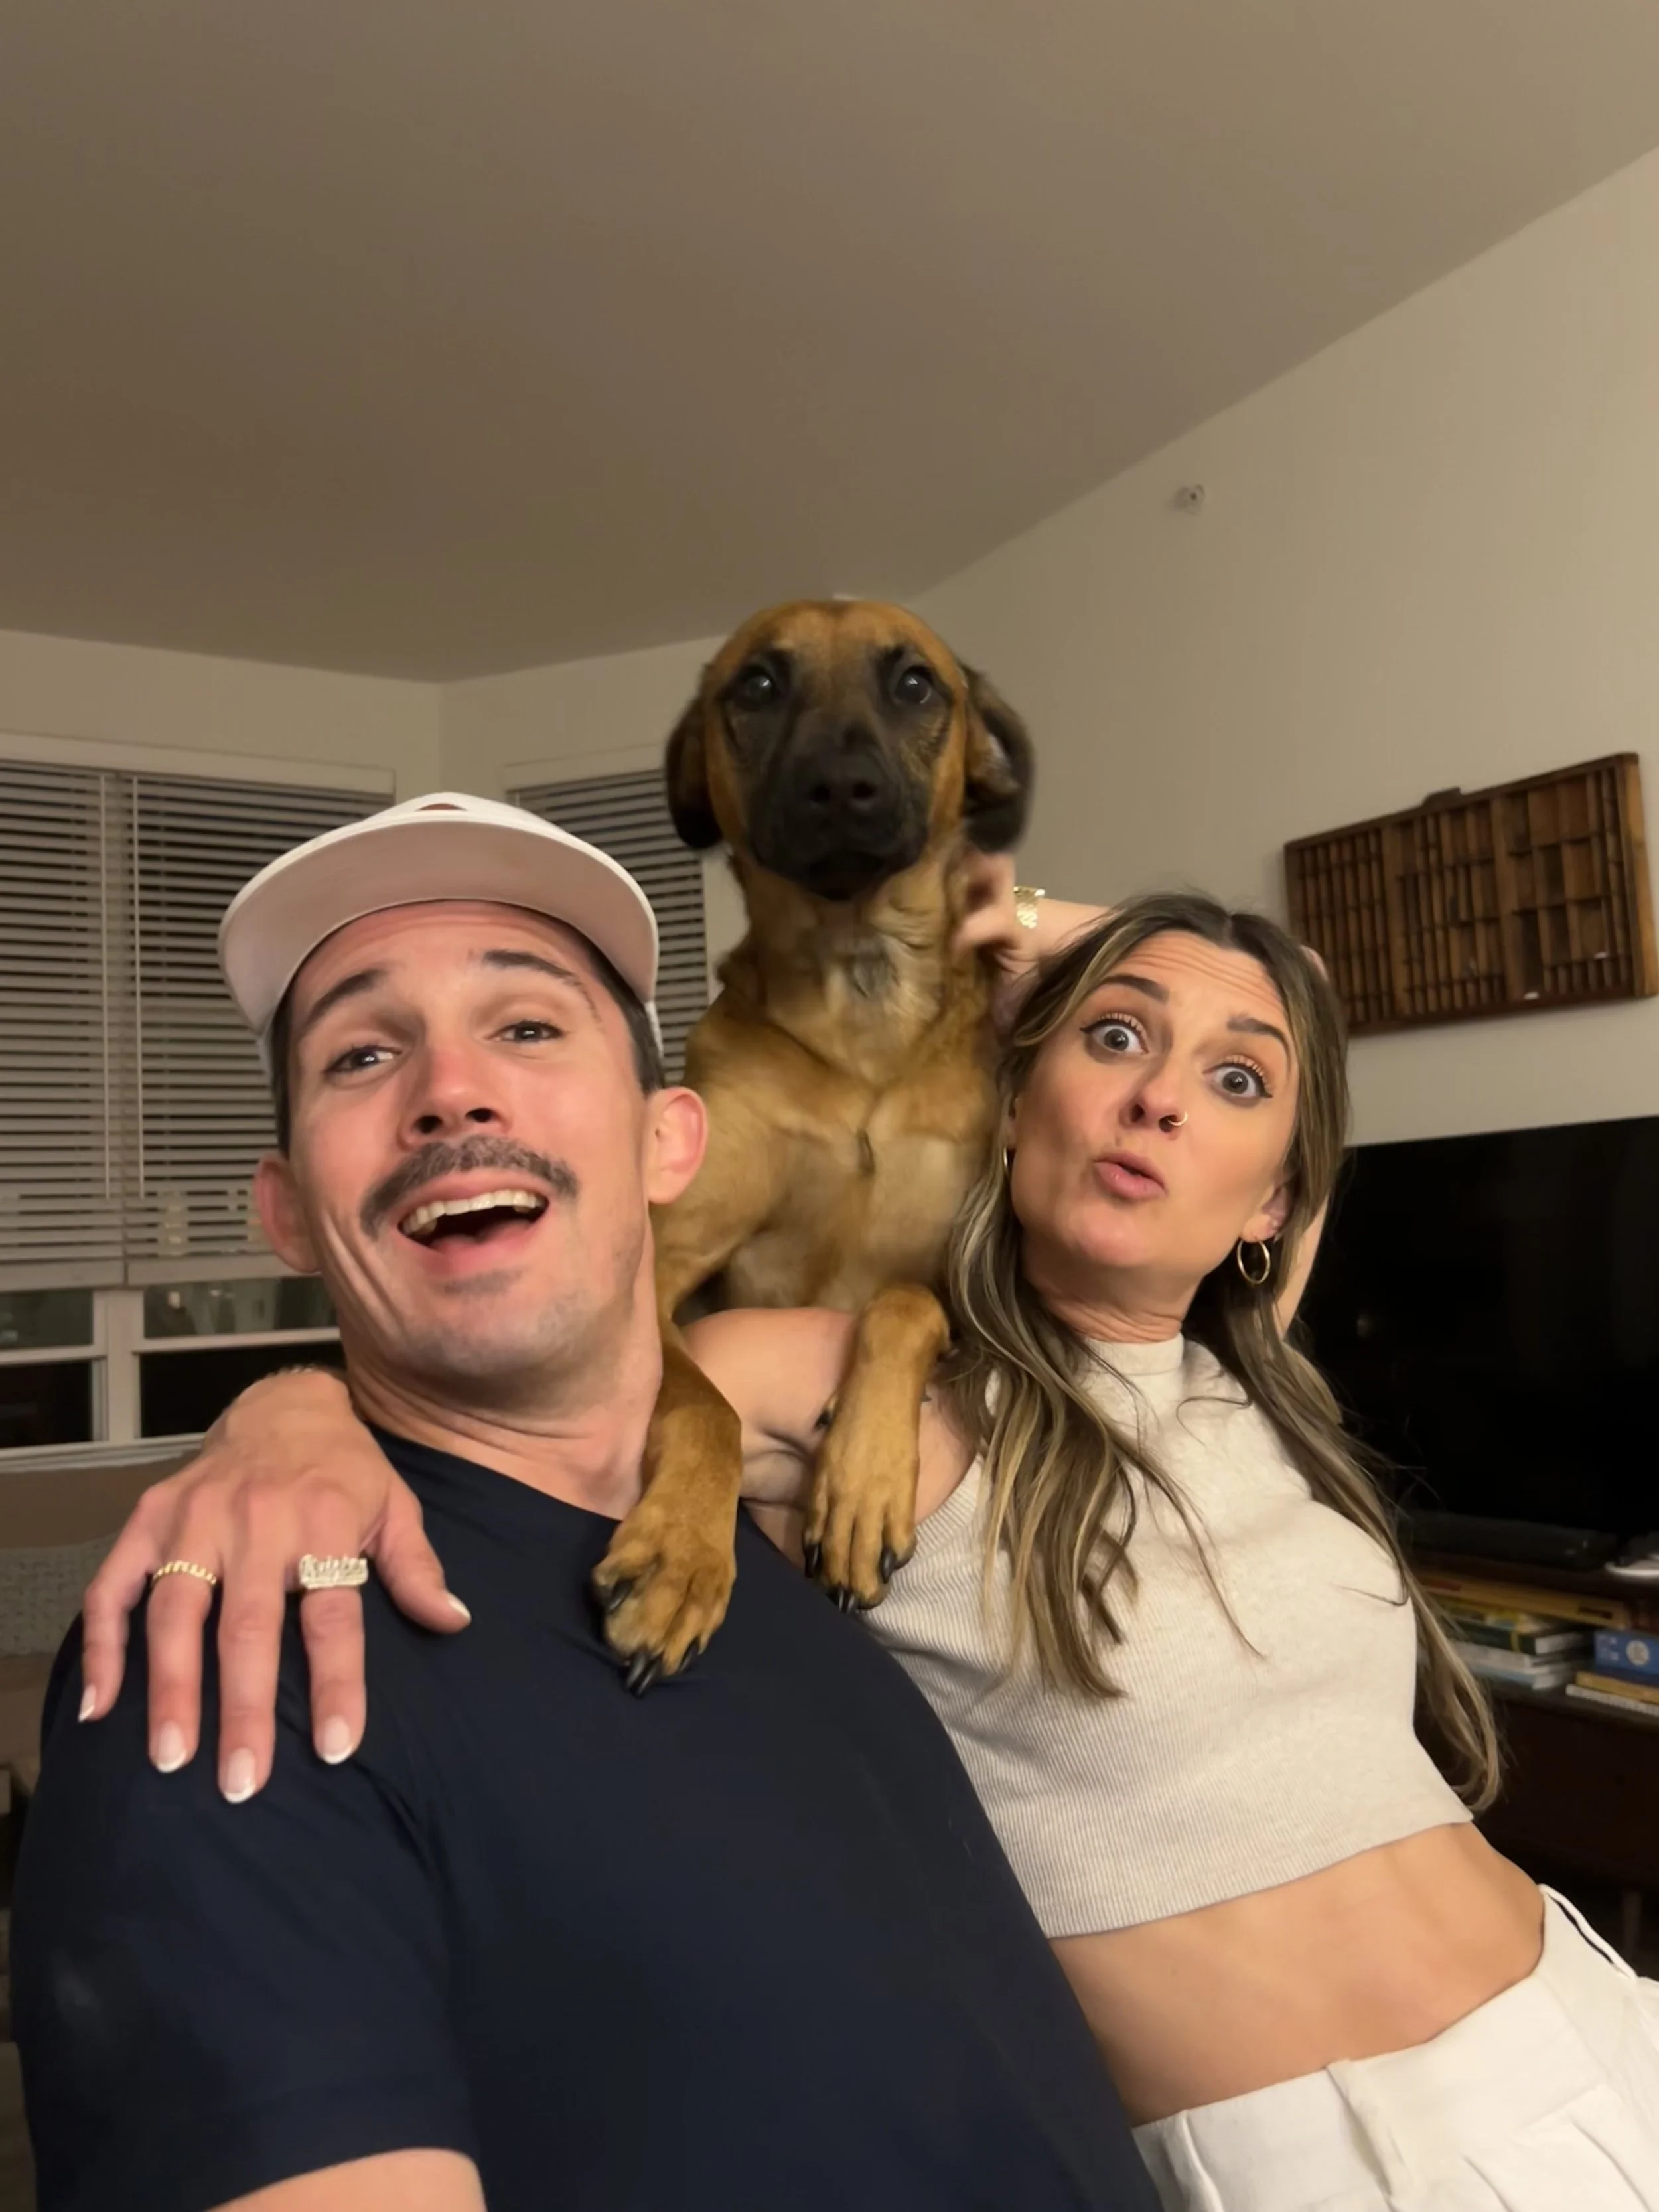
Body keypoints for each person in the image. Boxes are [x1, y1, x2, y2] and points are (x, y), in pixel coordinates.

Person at [73, 863, 1659, 2209]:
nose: (1162, 1097)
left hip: (1598, 2018)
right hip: (1339, 2157)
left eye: (1229, 1085)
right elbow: (543, 1367)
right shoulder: (856, 1387)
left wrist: (1056, 933)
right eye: (1111, 1040)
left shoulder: (1257, 1382)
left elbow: (1296, 995)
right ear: (1008, 1092)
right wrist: (285, 1415)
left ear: (1267, 1198)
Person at [13, 793, 1159, 2212]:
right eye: (362, 1052)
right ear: (291, 1210)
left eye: (529, 1027)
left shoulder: (795, 1528)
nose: (450, 1088)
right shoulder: (239, 1648)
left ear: (674, 1145)